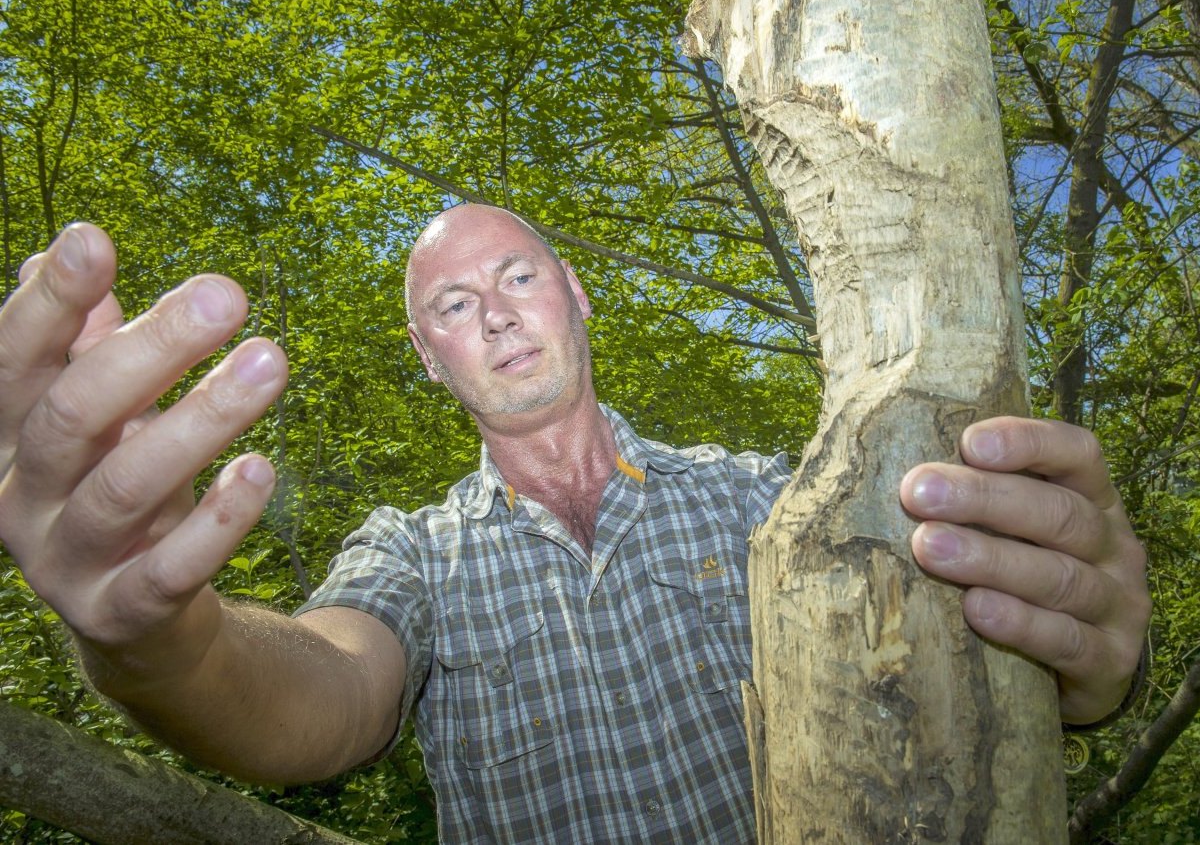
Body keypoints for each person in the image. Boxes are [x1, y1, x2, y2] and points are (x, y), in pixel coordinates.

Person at [0, 206, 1150, 841]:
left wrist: (1073, 647)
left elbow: (985, 654)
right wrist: (165, 640)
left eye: (518, 277)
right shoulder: (415, 551)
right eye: (455, 305)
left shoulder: (773, 495)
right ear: (429, 357)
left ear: (577, 293)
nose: (496, 317)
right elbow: (323, 690)